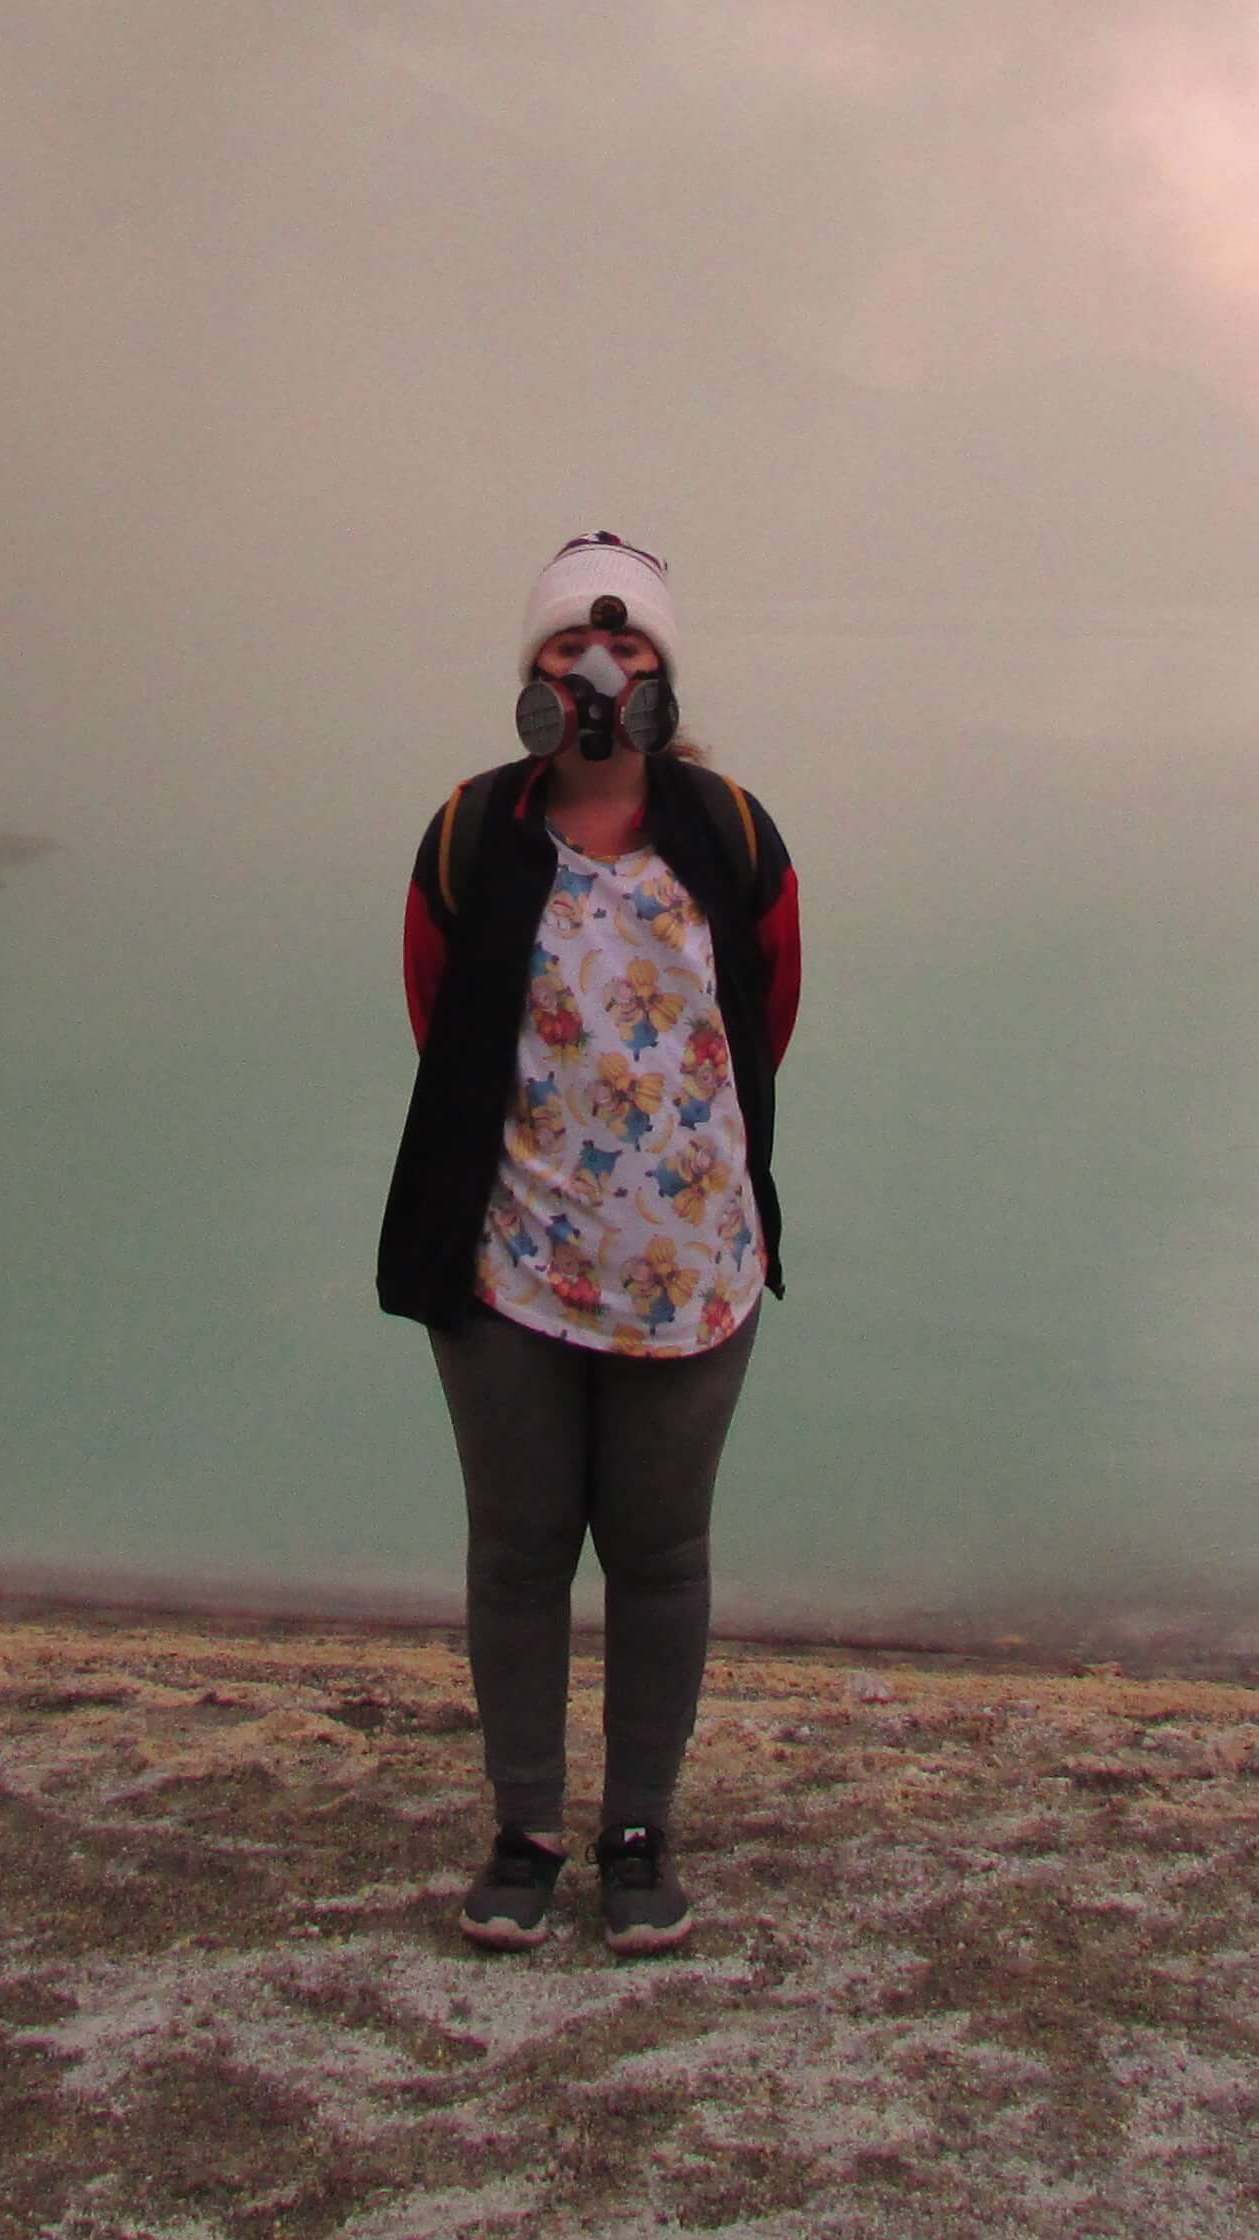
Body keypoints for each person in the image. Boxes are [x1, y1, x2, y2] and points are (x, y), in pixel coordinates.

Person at [378, 530, 803, 1956]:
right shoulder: (469, 834)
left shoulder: (733, 837)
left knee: (662, 1556)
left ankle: (638, 1836)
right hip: (508, 1269)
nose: (598, 674)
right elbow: (439, 1017)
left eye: (625, 652)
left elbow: (765, 1022)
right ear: (534, 678)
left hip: (692, 1270)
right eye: (568, 652)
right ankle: (525, 1832)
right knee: (517, 1554)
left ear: (667, 677)